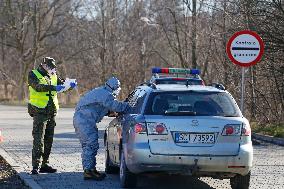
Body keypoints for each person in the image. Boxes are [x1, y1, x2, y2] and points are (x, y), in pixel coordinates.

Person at [73, 77, 130, 181]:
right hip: (84, 120)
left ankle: (90, 169)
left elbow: (101, 108)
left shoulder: (101, 92)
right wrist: (129, 106)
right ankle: (88, 171)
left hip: (84, 119)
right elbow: (116, 106)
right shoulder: (105, 95)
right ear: (115, 88)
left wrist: (110, 112)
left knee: (91, 144)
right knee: (90, 144)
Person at [28, 57, 77, 175]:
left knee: (48, 139)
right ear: (43, 65)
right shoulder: (33, 74)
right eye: (50, 66)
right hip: (40, 111)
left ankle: (45, 164)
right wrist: (54, 87)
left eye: (53, 67)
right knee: (38, 139)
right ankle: (35, 166)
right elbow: (38, 87)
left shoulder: (53, 75)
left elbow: (62, 86)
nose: (52, 69)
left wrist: (69, 85)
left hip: (51, 112)